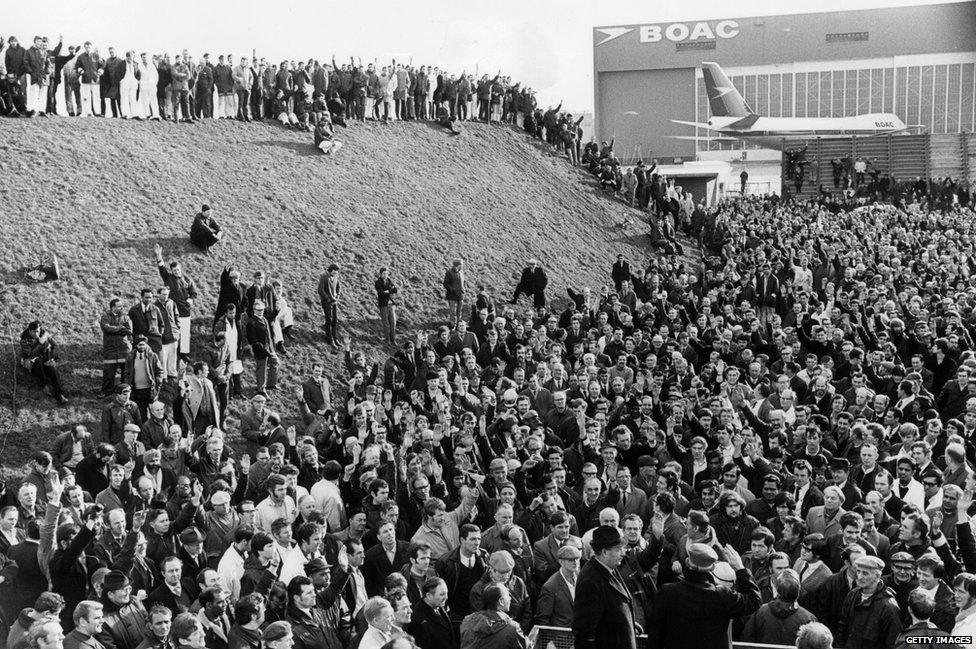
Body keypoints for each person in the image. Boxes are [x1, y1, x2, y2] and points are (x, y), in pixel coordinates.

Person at [648, 542, 762, 649]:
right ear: (712, 568)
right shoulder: (722, 596)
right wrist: (740, 569)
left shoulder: (667, 592)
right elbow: (754, 600)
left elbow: (655, 635)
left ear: (687, 562)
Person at [571, 525, 636, 649]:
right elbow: (584, 634)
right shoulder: (590, 581)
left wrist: (628, 622)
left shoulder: (609, 567)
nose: (623, 553)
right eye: (618, 549)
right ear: (605, 552)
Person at [836, 555, 900, 649]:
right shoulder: (852, 595)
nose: (860, 576)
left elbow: (892, 643)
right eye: (858, 572)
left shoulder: (889, 607)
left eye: (865, 573)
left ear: (877, 576)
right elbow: (842, 628)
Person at [459, 584, 526, 649]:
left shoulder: (466, 622)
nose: (510, 598)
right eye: (508, 595)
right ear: (501, 601)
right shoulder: (512, 628)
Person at [20, 320, 67, 404]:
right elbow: (31, 354)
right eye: (34, 332)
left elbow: (54, 345)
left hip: (44, 359)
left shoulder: (44, 334)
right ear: (29, 331)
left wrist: (53, 358)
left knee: (52, 369)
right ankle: (44, 385)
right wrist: (41, 342)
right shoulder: (24, 340)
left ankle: (59, 394)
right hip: (31, 362)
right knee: (37, 361)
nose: (36, 333)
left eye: (37, 331)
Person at [317, 264, 341, 347]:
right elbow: (320, 289)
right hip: (327, 302)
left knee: (335, 320)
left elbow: (338, 287)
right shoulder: (324, 276)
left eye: (337, 271)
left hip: (334, 301)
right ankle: (329, 338)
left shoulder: (336, 277)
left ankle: (335, 337)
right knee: (329, 320)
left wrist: (337, 296)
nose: (336, 272)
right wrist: (327, 298)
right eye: (335, 270)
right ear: (331, 269)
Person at [375, 268, 398, 345]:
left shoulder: (389, 280)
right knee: (385, 323)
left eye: (387, 273)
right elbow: (381, 293)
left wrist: (387, 291)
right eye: (384, 273)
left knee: (393, 322)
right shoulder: (378, 282)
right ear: (380, 274)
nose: (386, 275)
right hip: (383, 305)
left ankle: (393, 340)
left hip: (391, 304)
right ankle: (387, 340)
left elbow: (395, 290)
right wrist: (389, 291)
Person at [443, 260, 465, 327]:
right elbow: (445, 284)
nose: (462, 266)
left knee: (459, 311)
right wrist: (453, 290)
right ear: (458, 265)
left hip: (460, 295)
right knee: (453, 312)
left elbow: (464, 282)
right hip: (452, 296)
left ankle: (459, 325)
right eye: (461, 264)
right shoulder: (449, 272)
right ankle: (452, 325)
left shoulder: (461, 272)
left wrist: (464, 288)